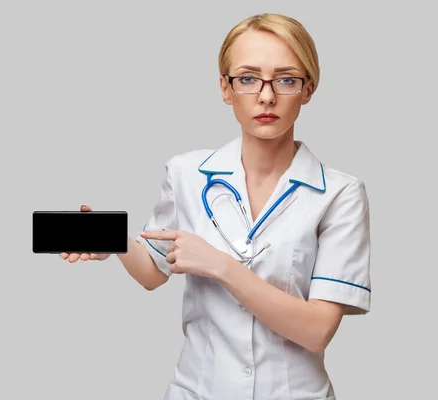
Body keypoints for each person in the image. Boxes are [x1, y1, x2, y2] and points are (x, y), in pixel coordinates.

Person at [61, 13, 371, 400]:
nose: (266, 96)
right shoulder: (185, 173)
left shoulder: (340, 194)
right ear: (225, 88)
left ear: (309, 89)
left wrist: (221, 266)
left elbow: (316, 331)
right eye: (247, 78)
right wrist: (116, 242)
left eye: (286, 79)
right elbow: (154, 273)